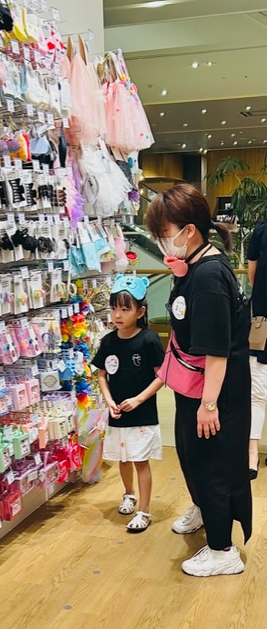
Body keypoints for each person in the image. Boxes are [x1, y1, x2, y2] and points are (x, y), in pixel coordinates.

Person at [146, 183, 252, 577]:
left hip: (214, 390)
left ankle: (223, 550)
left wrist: (209, 404)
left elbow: (217, 351)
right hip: (192, 383)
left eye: (164, 232)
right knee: (192, 455)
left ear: (188, 230)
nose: (161, 240)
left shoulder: (208, 275)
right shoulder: (194, 265)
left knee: (213, 464)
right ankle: (204, 509)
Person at [92, 275, 164, 533]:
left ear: (140, 311)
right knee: (123, 458)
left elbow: (162, 376)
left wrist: (139, 399)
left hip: (142, 414)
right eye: (114, 308)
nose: (117, 315)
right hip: (118, 414)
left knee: (140, 461)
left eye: (125, 309)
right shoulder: (108, 341)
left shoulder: (149, 340)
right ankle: (128, 494)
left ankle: (144, 511)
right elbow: (102, 374)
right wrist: (109, 401)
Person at [247, 220, 267, 478]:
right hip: (263, 322)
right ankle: (252, 452)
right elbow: (254, 278)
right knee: (257, 391)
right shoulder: (261, 231)